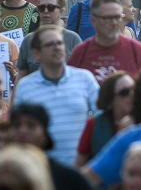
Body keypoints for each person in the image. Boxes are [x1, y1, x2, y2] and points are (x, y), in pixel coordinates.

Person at [13, 25, 100, 165]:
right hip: (40, 169)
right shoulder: (25, 86)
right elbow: (17, 130)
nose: (57, 48)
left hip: (79, 170)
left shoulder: (85, 78)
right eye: (50, 44)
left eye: (59, 43)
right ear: (36, 54)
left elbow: (101, 117)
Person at [67, 0, 141, 82]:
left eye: (117, 17)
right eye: (107, 18)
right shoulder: (81, 52)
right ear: (93, 20)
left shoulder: (137, 50)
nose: (114, 22)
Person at [73, 71, 135, 167]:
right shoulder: (94, 124)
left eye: (135, 89)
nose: (133, 95)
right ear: (110, 99)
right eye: (125, 92)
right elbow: (79, 165)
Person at [17, 0, 82, 75]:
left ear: (61, 11)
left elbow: (82, 71)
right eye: (41, 8)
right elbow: (22, 74)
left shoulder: (73, 39)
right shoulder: (29, 40)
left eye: (51, 7)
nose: (46, 11)